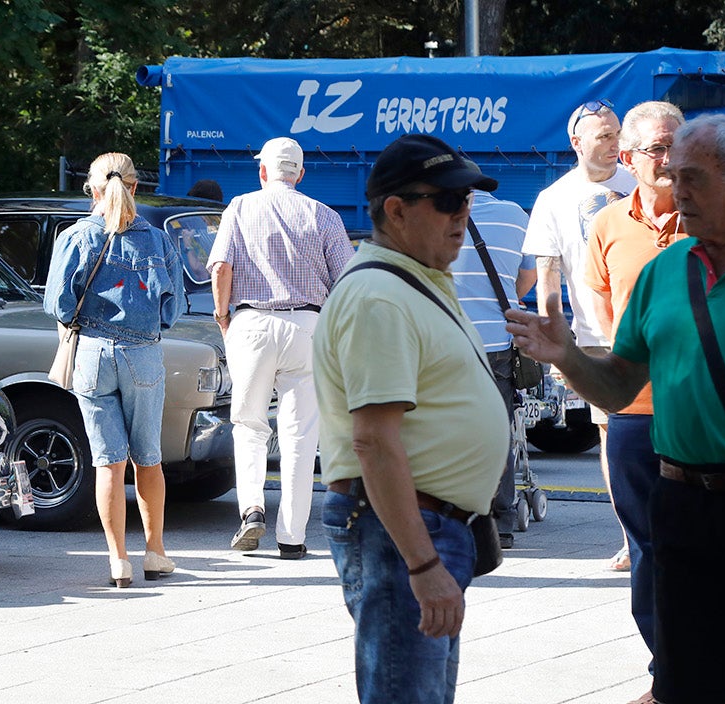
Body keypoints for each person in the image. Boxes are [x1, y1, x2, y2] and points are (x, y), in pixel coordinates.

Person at [507, 114, 725, 704]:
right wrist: (566, 354)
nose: (676, 190)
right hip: (682, 508)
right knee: (688, 686)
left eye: (693, 178)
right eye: (673, 174)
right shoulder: (665, 271)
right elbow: (620, 386)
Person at [314, 134, 509, 703]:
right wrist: (422, 562)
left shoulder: (410, 280)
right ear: (396, 211)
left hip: (421, 526)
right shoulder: (379, 294)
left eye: (467, 201)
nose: (462, 215)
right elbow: (373, 440)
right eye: (448, 201)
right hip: (403, 529)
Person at [580, 101, 686, 704]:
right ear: (628, 160)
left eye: (676, 145)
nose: (669, 159)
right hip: (634, 410)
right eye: (656, 149)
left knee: (724, 540)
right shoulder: (608, 224)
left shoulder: (713, 222)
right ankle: (664, 673)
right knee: (646, 547)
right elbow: (598, 299)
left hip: (706, 410)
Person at [207, 136, 352, 559]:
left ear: (263, 171)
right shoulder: (324, 216)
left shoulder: (240, 206)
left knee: (250, 424)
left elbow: (220, 268)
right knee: (301, 436)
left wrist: (223, 318)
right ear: (300, 174)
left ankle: (252, 508)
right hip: (309, 324)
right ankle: (292, 538)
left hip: (252, 321)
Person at [44, 152, 185, 587]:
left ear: (92, 188)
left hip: (91, 353)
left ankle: (117, 561)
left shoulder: (76, 236)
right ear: (135, 187)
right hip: (142, 354)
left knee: (109, 463)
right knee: (149, 460)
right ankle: (155, 553)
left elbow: (57, 304)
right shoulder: (158, 241)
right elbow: (173, 308)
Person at [522, 98, 637, 572]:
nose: (615, 144)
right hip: (595, 338)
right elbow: (547, 276)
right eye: (604, 135)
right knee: (613, 438)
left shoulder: (642, 182)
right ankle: (632, 535)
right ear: (577, 142)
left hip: (654, 331)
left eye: (617, 133)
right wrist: (559, 345)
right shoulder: (554, 198)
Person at [450, 185, 536, 548]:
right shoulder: (516, 215)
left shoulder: (435, 217)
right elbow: (528, 276)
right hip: (496, 344)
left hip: (446, 341)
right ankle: (499, 520)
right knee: (497, 430)